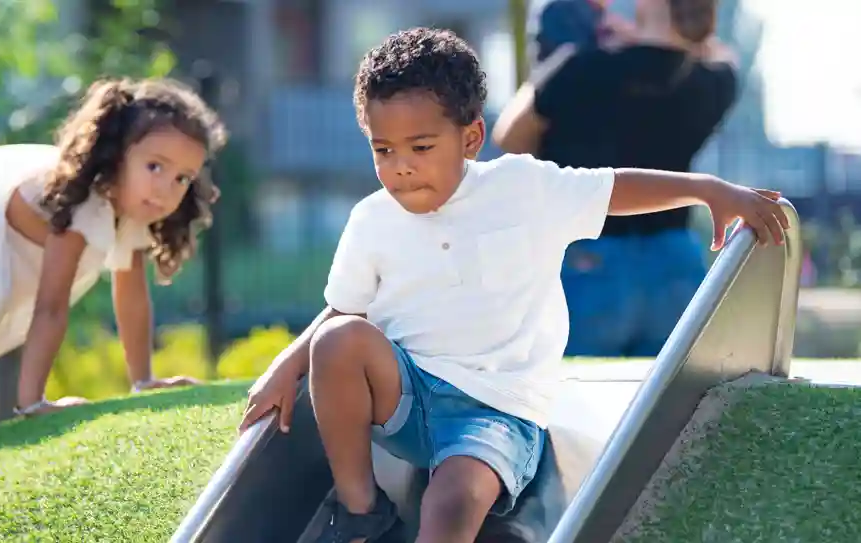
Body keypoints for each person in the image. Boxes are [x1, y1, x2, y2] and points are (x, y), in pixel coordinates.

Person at [239, 27, 787, 543]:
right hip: (407, 395)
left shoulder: (522, 188)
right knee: (338, 340)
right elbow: (341, 312)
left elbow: (614, 188)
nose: (401, 166)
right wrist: (284, 367)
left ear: (471, 137)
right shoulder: (372, 219)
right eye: (384, 150)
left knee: (451, 503)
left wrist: (707, 189)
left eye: (421, 147)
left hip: (494, 411)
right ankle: (362, 511)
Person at [0, 77, 227, 460]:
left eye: (182, 178)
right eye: (155, 166)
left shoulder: (132, 209)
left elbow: (132, 298)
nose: (166, 188)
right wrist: (32, 403)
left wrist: (144, 380)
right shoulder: (81, 200)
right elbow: (50, 305)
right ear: (116, 155)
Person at [494, 0, 739, 357]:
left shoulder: (578, 68)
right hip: (675, 259)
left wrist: (556, 63)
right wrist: (655, 34)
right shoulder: (713, 81)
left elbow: (509, 138)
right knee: (669, 405)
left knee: (576, 397)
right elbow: (719, 54)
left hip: (590, 256)